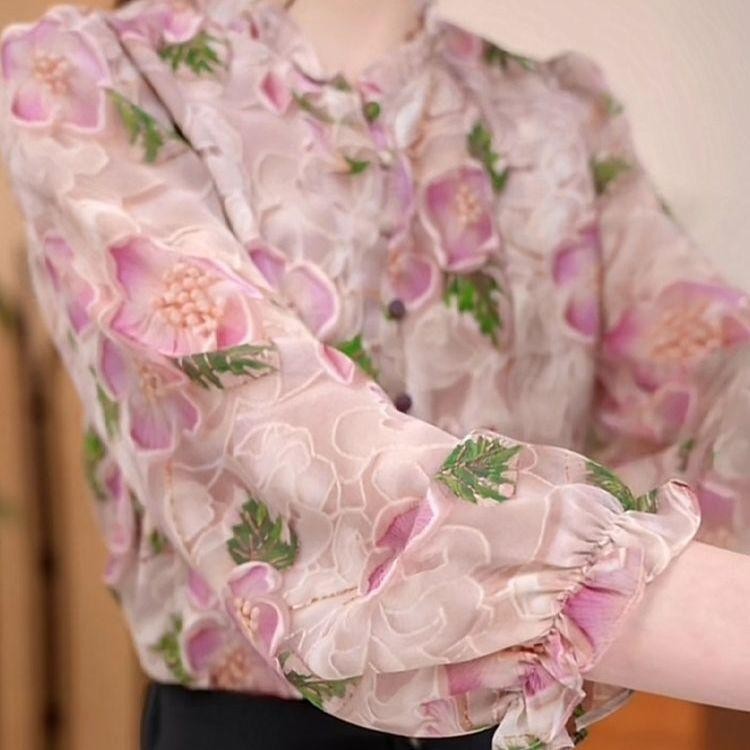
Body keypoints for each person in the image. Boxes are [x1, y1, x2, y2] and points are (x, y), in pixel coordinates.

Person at [1, 0, 749, 748]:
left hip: (513, 729)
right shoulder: (95, 79)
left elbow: (714, 383)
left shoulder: (560, 113)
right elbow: (277, 431)